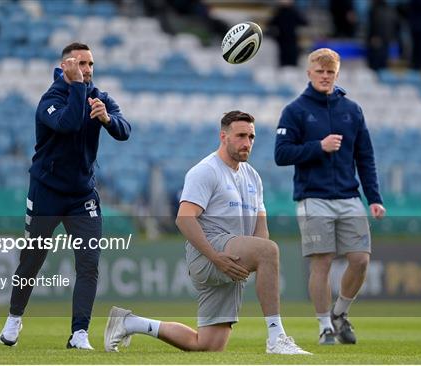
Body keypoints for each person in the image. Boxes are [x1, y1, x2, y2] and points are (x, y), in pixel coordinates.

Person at [104, 111, 311, 355]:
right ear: (223, 137)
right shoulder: (205, 170)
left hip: (231, 258)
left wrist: (253, 258)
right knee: (269, 250)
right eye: (241, 136)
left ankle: (130, 322)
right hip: (209, 253)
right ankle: (277, 338)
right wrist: (216, 256)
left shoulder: (253, 176)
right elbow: (184, 218)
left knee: (207, 345)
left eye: (252, 137)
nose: (247, 142)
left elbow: (260, 226)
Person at [0, 42, 132, 349]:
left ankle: (79, 333)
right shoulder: (51, 99)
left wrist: (108, 120)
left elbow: (125, 130)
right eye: (81, 64)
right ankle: (14, 317)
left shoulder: (100, 97)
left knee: (89, 264)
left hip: (82, 195)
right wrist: (77, 89)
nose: (87, 69)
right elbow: (68, 123)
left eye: (91, 64)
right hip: (46, 193)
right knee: (32, 260)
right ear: (66, 66)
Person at [274, 48, 386, 345]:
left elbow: (365, 157)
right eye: (320, 71)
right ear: (309, 73)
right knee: (321, 263)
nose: (325, 77)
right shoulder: (295, 110)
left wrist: (374, 197)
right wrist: (318, 147)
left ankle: (340, 312)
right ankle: (324, 326)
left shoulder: (352, 110)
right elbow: (281, 154)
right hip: (313, 197)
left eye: (330, 72)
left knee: (360, 260)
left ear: (337, 75)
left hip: (349, 197)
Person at [268, 0, 308, 67]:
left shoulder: (294, 12)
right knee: (284, 60)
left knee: (291, 59)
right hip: (282, 40)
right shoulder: (279, 12)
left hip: (291, 40)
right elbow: (271, 24)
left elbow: (304, 22)